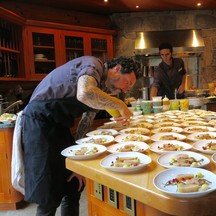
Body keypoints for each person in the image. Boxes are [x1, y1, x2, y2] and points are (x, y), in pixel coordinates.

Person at [21, 56, 139, 216]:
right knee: (47, 193)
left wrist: (79, 157)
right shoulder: (93, 64)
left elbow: (87, 120)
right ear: (117, 69)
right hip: (39, 123)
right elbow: (85, 93)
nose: (126, 90)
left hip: (59, 126)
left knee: (73, 184)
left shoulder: (101, 89)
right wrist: (119, 103)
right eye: (128, 83)